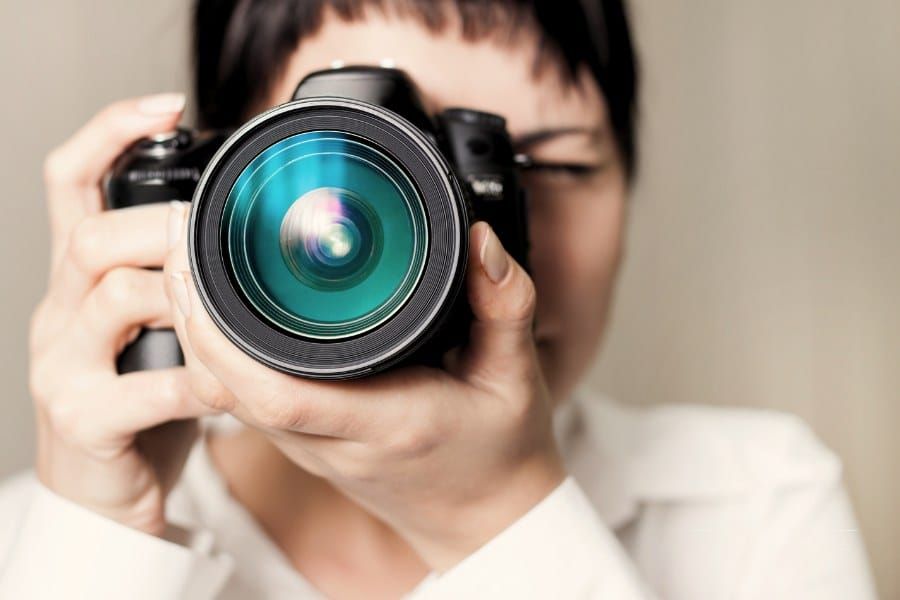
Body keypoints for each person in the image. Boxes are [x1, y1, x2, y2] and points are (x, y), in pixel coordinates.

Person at [0, 1, 878, 598]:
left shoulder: (752, 505)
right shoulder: (42, 543)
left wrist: (497, 515)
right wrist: (100, 537)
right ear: (207, 198)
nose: (456, 236)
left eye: (547, 165)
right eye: (358, 164)